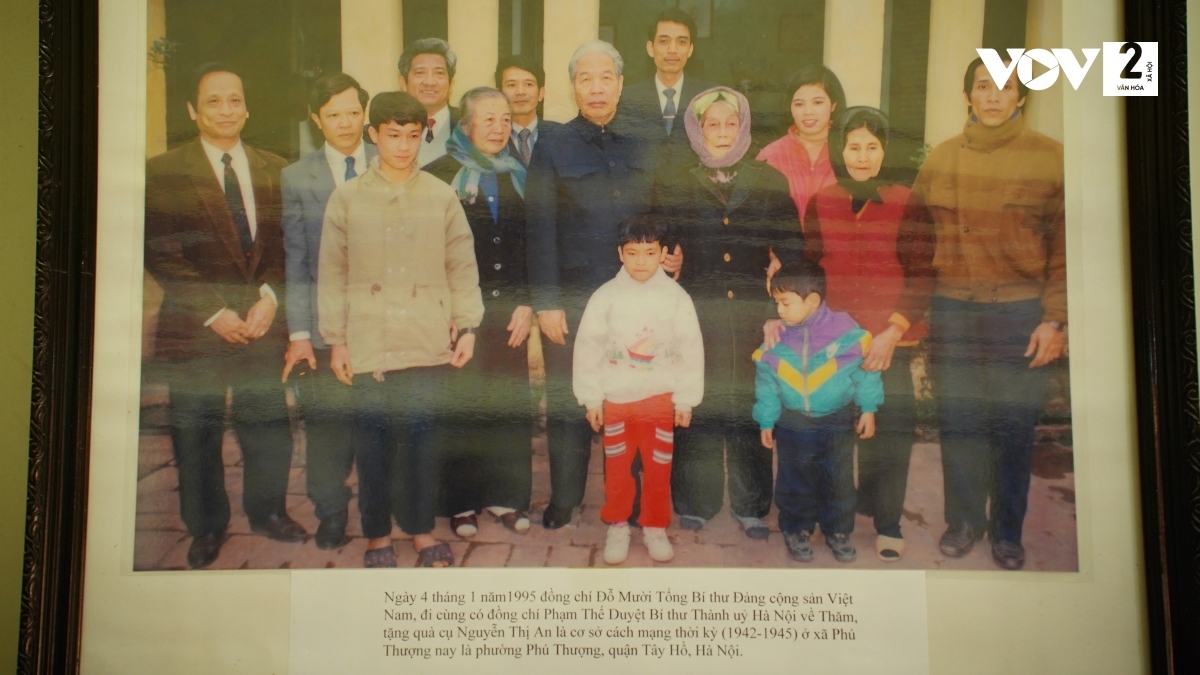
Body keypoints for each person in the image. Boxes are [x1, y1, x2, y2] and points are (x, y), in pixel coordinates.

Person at [144, 63, 305, 569]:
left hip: (260, 323)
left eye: (234, 99)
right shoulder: (163, 171)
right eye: (213, 101)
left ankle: (269, 513)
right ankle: (207, 526)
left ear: (247, 108)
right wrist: (214, 311)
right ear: (193, 111)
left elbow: (288, 246)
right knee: (196, 432)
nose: (226, 109)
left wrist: (270, 299)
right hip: (196, 327)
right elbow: (160, 250)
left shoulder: (275, 169)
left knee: (268, 424)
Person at [907, 57, 1066, 570]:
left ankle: (1007, 532)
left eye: (1005, 87)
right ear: (968, 95)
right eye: (982, 86)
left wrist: (1055, 320)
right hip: (954, 312)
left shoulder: (1050, 158)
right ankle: (963, 522)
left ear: (1021, 96)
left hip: (1020, 315)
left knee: (1012, 429)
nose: (993, 96)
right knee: (960, 423)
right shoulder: (942, 160)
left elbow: (1068, 250)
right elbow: (913, 238)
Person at [318, 91, 483, 568]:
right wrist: (336, 341)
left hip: (424, 338)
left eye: (413, 136)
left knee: (421, 442)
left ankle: (421, 528)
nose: (404, 146)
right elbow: (331, 272)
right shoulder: (347, 198)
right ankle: (377, 534)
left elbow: (461, 264)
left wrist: (467, 326)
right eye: (393, 135)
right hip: (368, 341)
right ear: (373, 135)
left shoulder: (440, 195)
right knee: (372, 445)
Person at [659, 86, 802, 538]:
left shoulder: (768, 179)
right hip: (696, 312)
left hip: (751, 314)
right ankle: (695, 500)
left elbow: (793, 251)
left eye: (731, 123)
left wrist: (779, 302)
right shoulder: (677, 180)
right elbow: (663, 239)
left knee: (749, 403)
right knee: (697, 402)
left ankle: (751, 504)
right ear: (697, 130)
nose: (722, 132)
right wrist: (669, 257)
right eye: (712, 124)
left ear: (744, 127)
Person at [525, 40, 658, 530]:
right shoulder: (552, 145)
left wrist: (672, 250)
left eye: (606, 78)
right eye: (586, 79)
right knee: (569, 399)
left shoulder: (645, 140)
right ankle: (565, 497)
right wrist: (547, 302)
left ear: (620, 85)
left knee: (634, 396)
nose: (596, 88)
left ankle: (634, 497)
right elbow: (539, 228)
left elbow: (663, 211)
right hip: (574, 298)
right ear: (573, 87)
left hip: (636, 296)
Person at [801, 106, 931, 562]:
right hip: (835, 343)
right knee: (831, 435)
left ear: (884, 151)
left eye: (871, 147)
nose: (861, 156)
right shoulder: (823, 201)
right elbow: (810, 270)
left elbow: (922, 273)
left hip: (889, 341)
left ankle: (888, 523)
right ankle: (830, 516)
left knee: (890, 435)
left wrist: (893, 331)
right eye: (854, 146)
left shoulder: (907, 201)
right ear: (841, 150)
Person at [425, 87, 534, 538]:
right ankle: (460, 503)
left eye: (506, 119)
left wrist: (527, 300)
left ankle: (505, 495)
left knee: (508, 404)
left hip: (510, 311)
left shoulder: (521, 173)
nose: (499, 127)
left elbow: (533, 243)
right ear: (465, 125)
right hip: (458, 313)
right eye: (488, 119)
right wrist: (445, 310)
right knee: (461, 406)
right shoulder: (437, 176)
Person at [279, 72, 376, 551]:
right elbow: (296, 260)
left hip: (384, 325)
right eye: (333, 114)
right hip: (325, 324)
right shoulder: (298, 177)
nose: (345, 123)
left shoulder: (393, 158)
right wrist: (299, 332)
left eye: (353, 112)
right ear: (316, 119)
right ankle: (331, 512)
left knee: (381, 425)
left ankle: (383, 510)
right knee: (328, 429)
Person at [573, 214, 704, 564]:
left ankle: (654, 526)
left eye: (649, 253)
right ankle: (618, 524)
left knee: (658, 468)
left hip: (659, 400)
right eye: (632, 253)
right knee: (618, 469)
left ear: (662, 253)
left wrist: (686, 399)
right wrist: (591, 397)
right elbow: (587, 348)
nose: (641, 262)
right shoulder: (605, 297)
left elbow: (691, 349)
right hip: (617, 400)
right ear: (620, 254)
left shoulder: (676, 297)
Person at [753, 260, 882, 564]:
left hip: (837, 420)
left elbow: (866, 372)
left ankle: (838, 530)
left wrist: (868, 408)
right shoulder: (776, 339)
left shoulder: (846, 331)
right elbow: (767, 384)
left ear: (811, 300)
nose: (779, 310)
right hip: (793, 422)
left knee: (837, 478)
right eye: (776, 303)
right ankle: (796, 528)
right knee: (794, 477)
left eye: (785, 303)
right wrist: (766, 421)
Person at [621, 8, 714, 168]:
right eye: (664, 41)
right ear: (650, 48)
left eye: (681, 42)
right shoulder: (627, 99)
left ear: (690, 49)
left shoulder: (708, 97)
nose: (672, 50)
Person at [756, 65, 847, 229]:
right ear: (790, 107)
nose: (808, 111)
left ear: (833, 104)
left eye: (818, 102)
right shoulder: (770, 155)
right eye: (799, 104)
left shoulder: (850, 151)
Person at [397, 37, 461, 168]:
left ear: (451, 84)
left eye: (439, 73)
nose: (429, 82)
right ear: (403, 83)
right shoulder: (386, 126)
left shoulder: (468, 124)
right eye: (420, 73)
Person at [493, 55, 561, 166]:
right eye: (511, 85)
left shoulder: (562, 135)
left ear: (541, 93)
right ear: (499, 94)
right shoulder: (491, 137)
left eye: (528, 84)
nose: (520, 92)